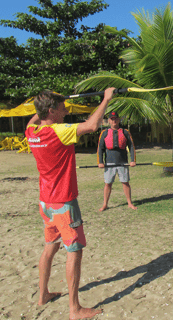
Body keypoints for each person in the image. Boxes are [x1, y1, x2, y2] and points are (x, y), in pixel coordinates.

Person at [26, 88, 116, 319]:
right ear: (52, 111)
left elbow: (34, 117)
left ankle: (43, 294)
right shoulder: (59, 131)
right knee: (73, 252)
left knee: (50, 247)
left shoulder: (32, 131)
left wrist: (47, 97)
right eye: (62, 107)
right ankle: (75, 309)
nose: (66, 110)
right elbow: (92, 126)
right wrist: (106, 98)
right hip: (63, 203)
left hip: (45, 202)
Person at [97, 111, 137, 211]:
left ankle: (129, 203)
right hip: (109, 162)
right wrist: (100, 162)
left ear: (119, 120)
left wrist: (133, 160)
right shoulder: (104, 133)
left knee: (125, 182)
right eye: (112, 119)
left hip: (122, 161)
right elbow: (100, 148)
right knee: (108, 183)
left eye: (115, 119)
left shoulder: (125, 132)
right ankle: (105, 204)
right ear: (109, 121)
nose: (114, 120)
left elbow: (131, 146)